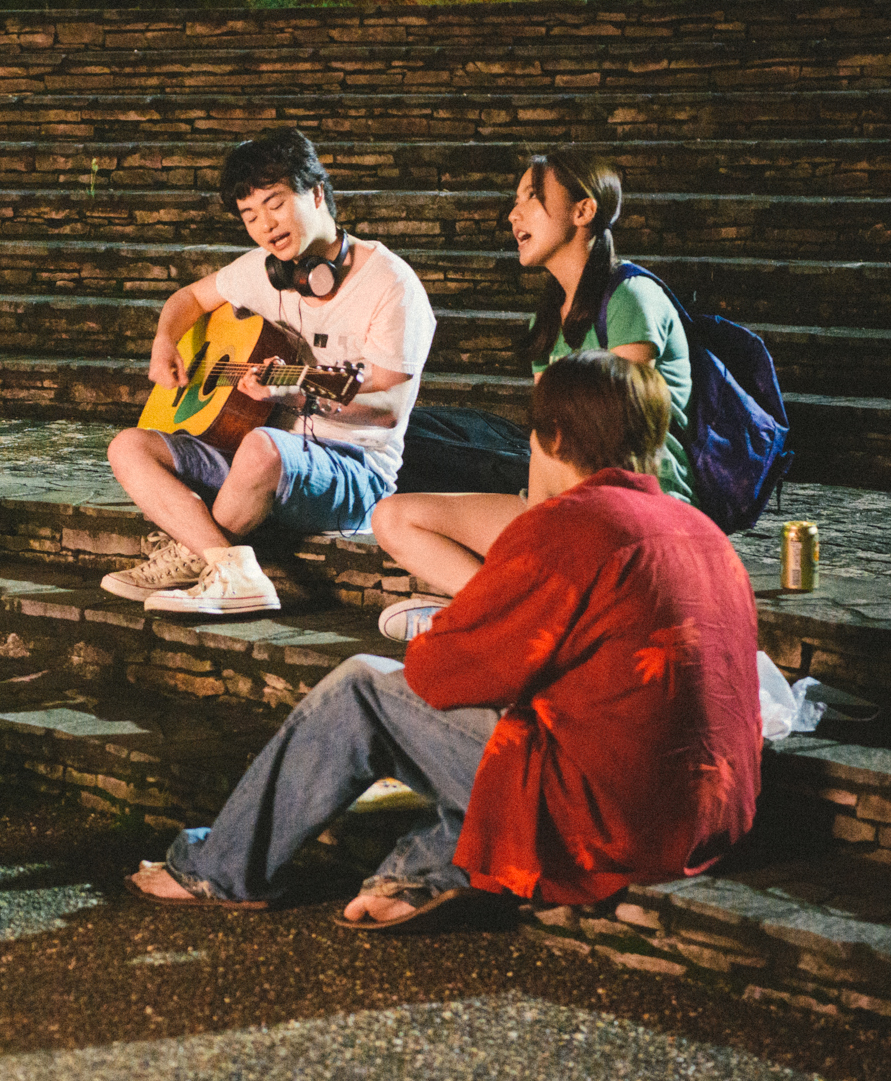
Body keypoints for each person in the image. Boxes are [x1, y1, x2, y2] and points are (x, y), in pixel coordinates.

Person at [126, 353, 760, 927]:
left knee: (364, 690)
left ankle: (219, 870)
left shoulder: (570, 530)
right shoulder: (698, 529)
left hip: (610, 826)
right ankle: (430, 870)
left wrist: (470, 609)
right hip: (712, 817)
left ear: (553, 437)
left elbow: (442, 675)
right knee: (523, 718)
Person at [100, 128, 436, 615]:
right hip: (258, 458)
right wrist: (164, 341)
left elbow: (386, 411)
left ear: (317, 193)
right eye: (250, 215)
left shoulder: (391, 284)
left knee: (260, 447)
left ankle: (196, 551)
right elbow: (189, 298)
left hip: (353, 472)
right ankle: (229, 568)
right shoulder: (264, 268)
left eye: (275, 204)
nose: (265, 226)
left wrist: (292, 396)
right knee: (128, 445)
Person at [371, 149, 694, 641]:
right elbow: (547, 436)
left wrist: (549, 530)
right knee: (393, 516)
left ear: (582, 212)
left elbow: (618, 440)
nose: (513, 214)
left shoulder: (632, 298)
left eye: (531, 199)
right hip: (567, 507)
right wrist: (538, 517)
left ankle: (488, 617)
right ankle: (504, 612)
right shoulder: (550, 316)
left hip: (631, 515)